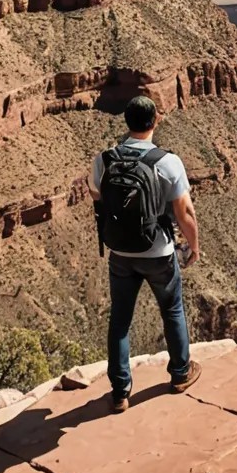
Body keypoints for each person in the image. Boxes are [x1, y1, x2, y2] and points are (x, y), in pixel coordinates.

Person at [89, 95, 202, 412]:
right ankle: (180, 374)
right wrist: (193, 247)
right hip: (159, 253)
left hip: (120, 253)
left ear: (126, 121)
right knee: (173, 311)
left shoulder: (104, 160)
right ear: (155, 121)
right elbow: (186, 214)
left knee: (120, 321)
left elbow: (98, 196)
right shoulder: (168, 162)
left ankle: (120, 392)